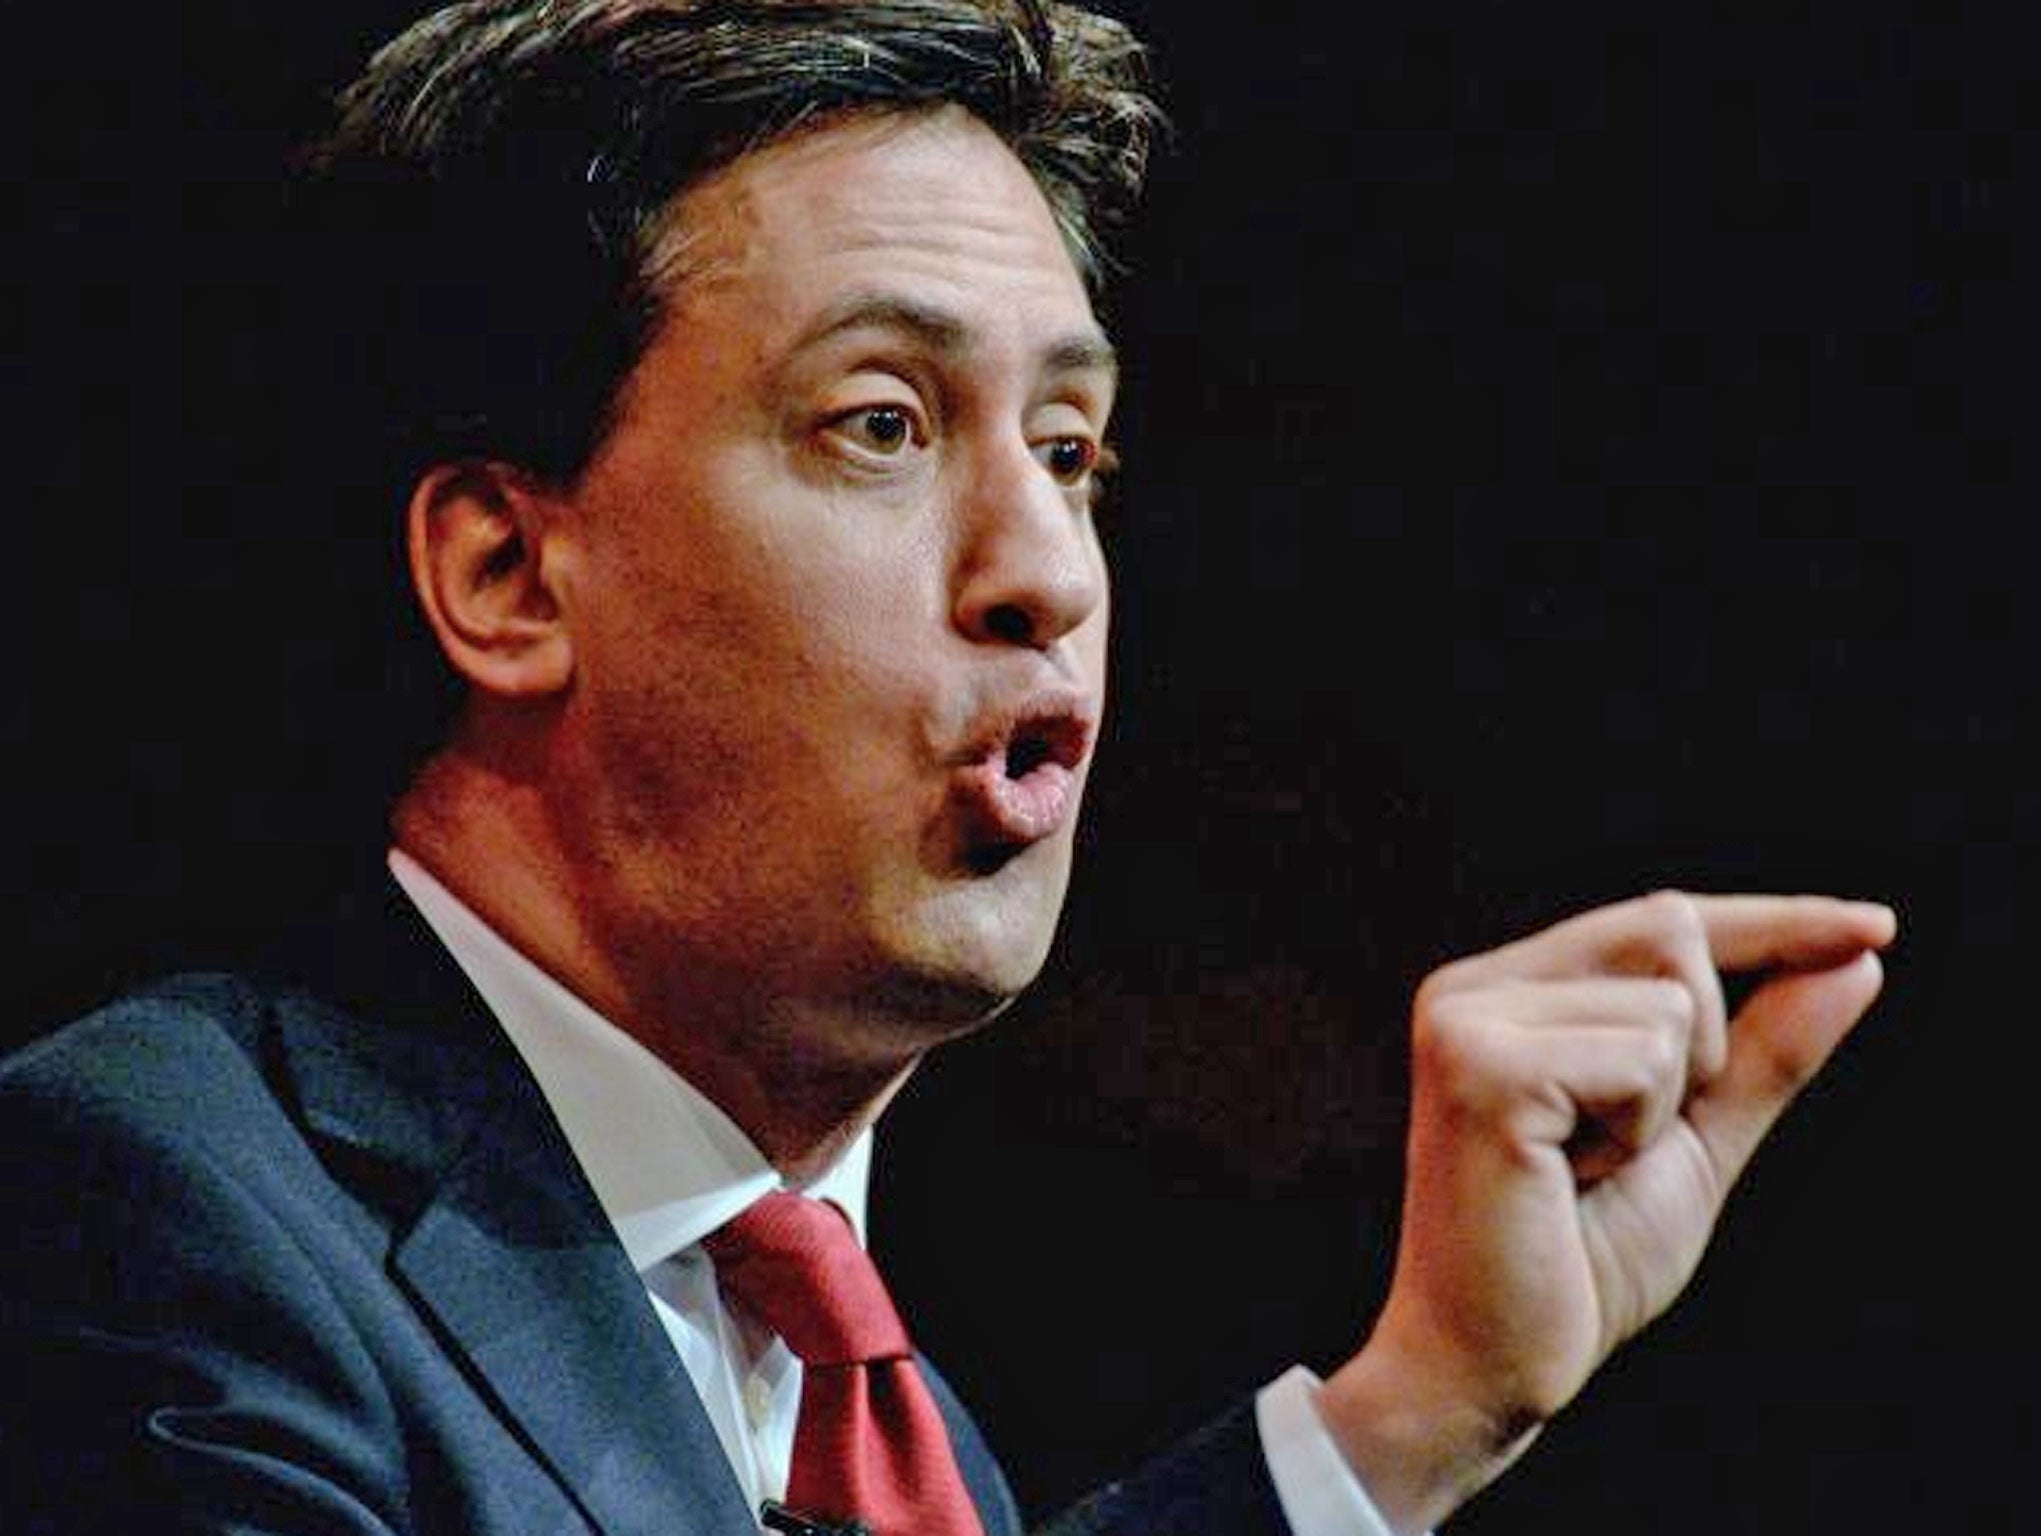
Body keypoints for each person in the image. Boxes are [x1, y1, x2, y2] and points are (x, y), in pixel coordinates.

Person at [0, 2, 1897, 1533]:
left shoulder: (891, 1422)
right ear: (510, 575)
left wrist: (1412, 1415)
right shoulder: (140, 1215)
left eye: (1073, 452)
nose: (1047, 572)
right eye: (883, 423)